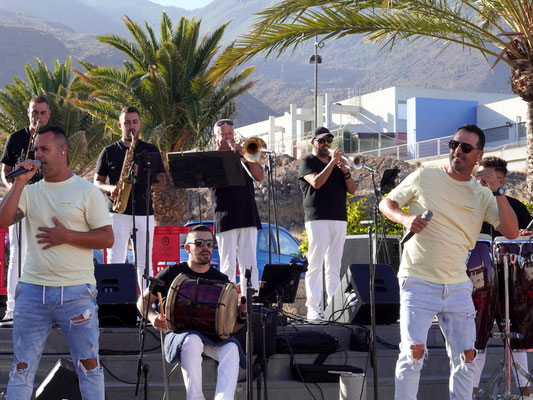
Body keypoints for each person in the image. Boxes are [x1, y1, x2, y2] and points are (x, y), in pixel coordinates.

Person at [378, 124, 519, 400]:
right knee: (412, 353)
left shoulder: (482, 194)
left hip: (457, 285)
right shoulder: (425, 176)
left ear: (479, 155)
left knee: (467, 358)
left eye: (466, 148)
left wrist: (498, 191)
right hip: (418, 279)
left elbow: (512, 232)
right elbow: (387, 204)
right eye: (454, 144)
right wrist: (406, 219)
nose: (457, 151)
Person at [1, 125, 114, 399]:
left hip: (76, 293)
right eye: (36, 149)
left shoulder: (87, 192)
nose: (38, 155)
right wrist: (19, 182)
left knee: (89, 367)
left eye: (44, 149)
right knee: (21, 369)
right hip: (31, 293)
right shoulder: (30, 190)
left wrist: (66, 235)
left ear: (62, 151)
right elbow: (3, 220)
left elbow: (107, 238)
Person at [137, 224, 246, 400]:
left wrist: (241, 316)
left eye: (210, 244)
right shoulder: (172, 273)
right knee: (192, 340)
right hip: (179, 334)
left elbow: (229, 329)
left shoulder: (222, 281)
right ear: (187, 248)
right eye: (200, 243)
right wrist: (152, 317)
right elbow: (142, 301)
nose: (206, 248)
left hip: (212, 336)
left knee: (232, 348)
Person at [472, 155, 532, 396]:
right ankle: (471, 393)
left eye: (484, 178)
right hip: (479, 278)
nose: (479, 182)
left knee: (518, 337)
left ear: (499, 180)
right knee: (476, 340)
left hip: (512, 279)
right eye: (478, 178)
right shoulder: (469, 204)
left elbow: (525, 237)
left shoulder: (514, 205)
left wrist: (525, 235)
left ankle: (526, 394)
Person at [94, 106, 166, 291]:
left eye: (134, 122)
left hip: (144, 210)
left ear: (140, 124)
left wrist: (141, 177)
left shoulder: (150, 150)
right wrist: (111, 188)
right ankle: (115, 303)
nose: (131, 126)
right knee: (115, 258)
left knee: (144, 261)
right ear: (120, 125)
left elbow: (162, 181)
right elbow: (97, 181)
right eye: (127, 122)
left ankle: (145, 306)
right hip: (117, 211)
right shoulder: (109, 151)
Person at [0, 95, 50, 323]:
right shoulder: (17, 137)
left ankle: (44, 309)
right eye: (34, 112)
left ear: (47, 115)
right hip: (20, 200)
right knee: (18, 255)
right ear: (28, 112)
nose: (37, 117)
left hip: (45, 201)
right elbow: (5, 168)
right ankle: (12, 308)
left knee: (45, 254)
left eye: (41, 113)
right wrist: (13, 187)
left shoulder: (53, 137)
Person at [298, 127, 356, 321]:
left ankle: (334, 306)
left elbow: (352, 191)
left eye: (329, 141)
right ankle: (313, 307)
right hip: (317, 217)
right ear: (313, 142)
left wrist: (345, 170)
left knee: (333, 266)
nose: (326, 144)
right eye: (322, 141)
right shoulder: (308, 161)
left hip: (339, 218)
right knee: (315, 265)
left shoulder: (338, 166)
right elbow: (316, 182)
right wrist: (332, 162)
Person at [211, 119, 263, 294]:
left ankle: (252, 300)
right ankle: (227, 302)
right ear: (215, 137)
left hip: (247, 214)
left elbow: (259, 177)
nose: (228, 137)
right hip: (225, 216)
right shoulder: (213, 157)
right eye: (224, 134)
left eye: (230, 134)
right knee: (227, 265)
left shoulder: (244, 156)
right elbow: (209, 184)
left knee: (250, 264)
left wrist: (246, 157)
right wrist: (219, 153)